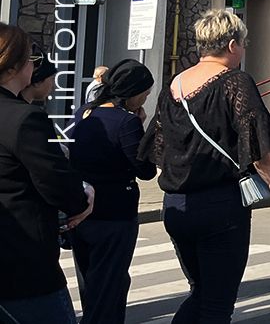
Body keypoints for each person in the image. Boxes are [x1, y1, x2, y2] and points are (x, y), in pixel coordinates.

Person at [138, 9, 270, 323]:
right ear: (230, 45)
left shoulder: (175, 84)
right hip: (220, 206)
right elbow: (258, 147)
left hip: (175, 206)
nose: (244, 48)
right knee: (216, 304)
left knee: (200, 292)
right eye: (243, 42)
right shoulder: (236, 81)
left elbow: (159, 147)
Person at [0, 26, 93, 323]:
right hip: (22, 262)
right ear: (14, 67)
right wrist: (83, 199)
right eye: (30, 60)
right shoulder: (25, 118)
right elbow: (56, 180)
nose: (34, 67)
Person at [68, 59, 158, 324]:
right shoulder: (126, 122)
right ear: (133, 91)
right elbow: (145, 169)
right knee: (110, 285)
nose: (146, 98)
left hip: (83, 210)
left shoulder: (84, 113)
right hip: (115, 213)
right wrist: (141, 129)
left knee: (90, 281)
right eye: (145, 92)